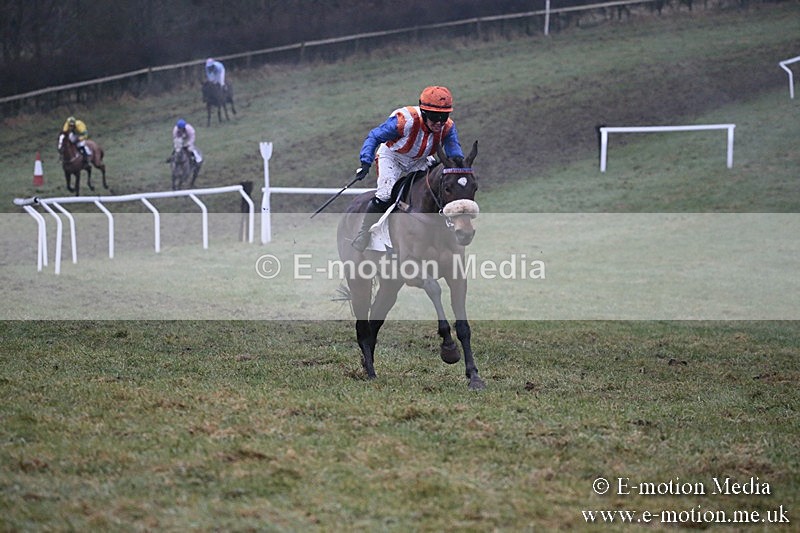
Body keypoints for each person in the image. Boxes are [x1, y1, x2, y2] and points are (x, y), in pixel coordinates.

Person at [350, 85, 465, 252]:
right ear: (424, 113)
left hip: (420, 160)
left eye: (444, 116)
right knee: (385, 194)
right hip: (393, 156)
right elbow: (374, 136)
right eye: (434, 117)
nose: (439, 122)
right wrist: (365, 161)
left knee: (435, 186)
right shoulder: (405, 120)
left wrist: (459, 167)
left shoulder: (448, 127)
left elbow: (454, 150)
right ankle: (364, 233)